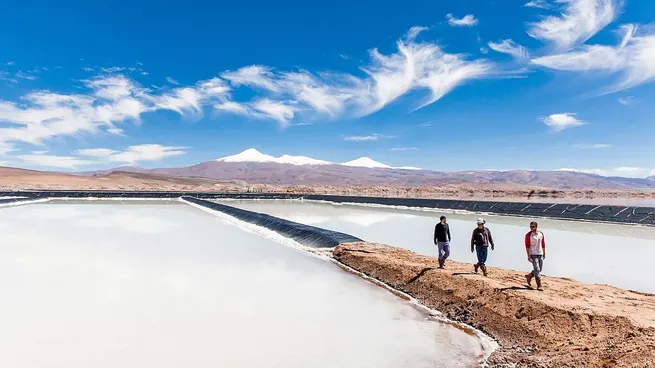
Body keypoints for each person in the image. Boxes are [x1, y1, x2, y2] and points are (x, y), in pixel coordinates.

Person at [525, 221, 546, 290]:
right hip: (533, 254)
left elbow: (543, 244)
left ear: (536, 227)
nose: (531, 228)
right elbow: (527, 246)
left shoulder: (541, 234)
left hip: (540, 253)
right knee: (537, 269)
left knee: (539, 269)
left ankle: (529, 276)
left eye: (533, 227)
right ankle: (539, 285)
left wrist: (544, 252)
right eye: (530, 227)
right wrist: (528, 255)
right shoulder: (528, 235)